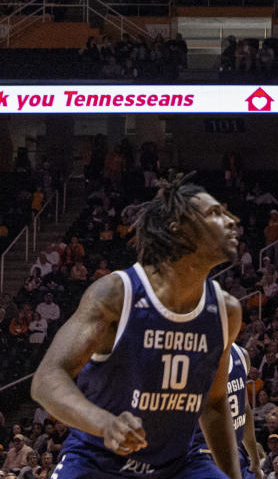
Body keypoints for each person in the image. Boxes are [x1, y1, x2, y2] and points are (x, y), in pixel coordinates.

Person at [30, 174, 244, 479]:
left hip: (178, 466)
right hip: (98, 460)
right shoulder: (117, 294)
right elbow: (47, 378)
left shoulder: (227, 311)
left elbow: (215, 402)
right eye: (215, 213)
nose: (232, 220)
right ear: (178, 227)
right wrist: (104, 423)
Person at [191, 344, 264, 479]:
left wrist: (255, 461)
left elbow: (245, 409)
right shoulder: (195, 360)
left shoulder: (241, 354)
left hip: (235, 453)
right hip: (204, 455)